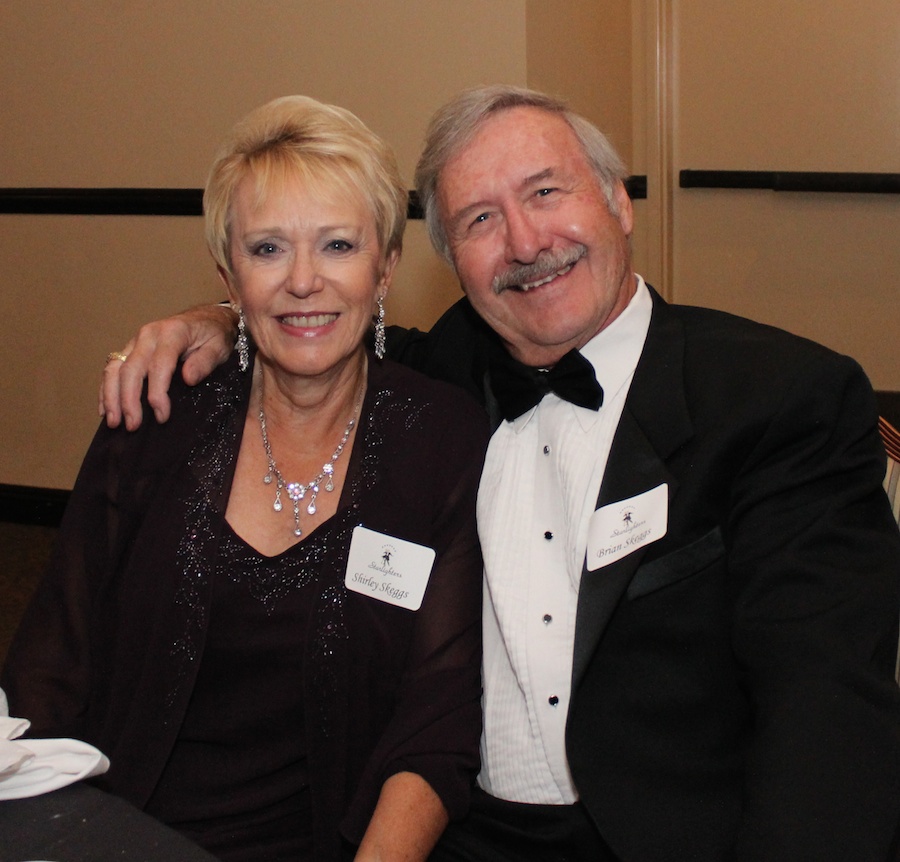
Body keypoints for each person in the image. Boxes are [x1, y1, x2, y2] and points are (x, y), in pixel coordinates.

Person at [97, 86, 900, 861]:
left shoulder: (777, 399)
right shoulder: (441, 378)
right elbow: (316, 321)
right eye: (481, 220)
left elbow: (826, 717)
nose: (524, 243)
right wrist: (214, 320)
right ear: (450, 263)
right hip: (463, 831)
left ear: (619, 201)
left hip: (673, 837)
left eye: (546, 192)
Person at [2, 95, 489, 862]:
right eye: (267, 250)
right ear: (229, 273)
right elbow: (51, 666)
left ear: (386, 266)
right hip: (120, 835)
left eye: (336, 245)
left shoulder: (442, 441)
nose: (303, 282)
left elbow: (438, 719)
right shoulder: (158, 414)